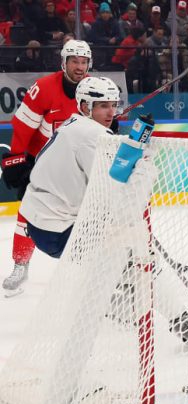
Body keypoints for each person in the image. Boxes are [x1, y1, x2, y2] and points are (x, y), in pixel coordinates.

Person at [19, 76, 188, 344]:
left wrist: (120, 143)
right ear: (85, 106)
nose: (111, 112)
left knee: (125, 262)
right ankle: (177, 320)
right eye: (102, 106)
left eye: (113, 105)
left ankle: (124, 303)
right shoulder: (93, 136)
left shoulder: (74, 123)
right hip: (60, 229)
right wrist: (135, 149)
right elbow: (117, 195)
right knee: (141, 261)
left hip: (43, 222)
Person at [1, 40, 91, 297]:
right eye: (74, 61)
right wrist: (16, 161)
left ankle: (92, 273)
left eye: (84, 61)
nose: (79, 66)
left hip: (75, 166)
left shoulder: (92, 88)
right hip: (41, 163)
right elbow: (22, 129)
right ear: (63, 63)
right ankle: (20, 264)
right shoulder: (43, 89)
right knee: (28, 211)